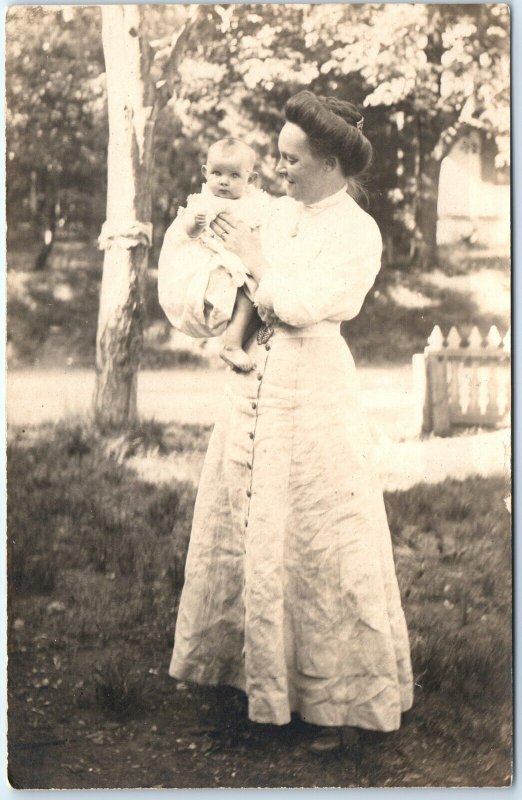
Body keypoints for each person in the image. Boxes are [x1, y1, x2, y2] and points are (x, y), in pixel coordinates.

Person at [158, 90, 413, 753]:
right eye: (277, 157)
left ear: (328, 162)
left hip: (316, 392)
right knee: (253, 529)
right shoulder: (280, 213)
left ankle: (345, 708)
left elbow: (300, 304)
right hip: (256, 388)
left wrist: (259, 263)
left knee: (323, 540)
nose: (281, 170)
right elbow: (232, 276)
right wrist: (210, 253)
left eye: (292, 159)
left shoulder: (357, 231)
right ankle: (261, 687)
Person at [158, 137, 271, 373]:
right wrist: (196, 223)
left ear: (250, 179)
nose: (223, 182)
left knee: (253, 294)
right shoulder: (205, 201)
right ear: (205, 172)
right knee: (246, 292)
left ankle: (235, 343)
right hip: (211, 263)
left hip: (237, 262)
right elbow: (187, 228)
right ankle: (231, 344)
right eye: (217, 173)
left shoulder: (255, 202)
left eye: (234, 176)